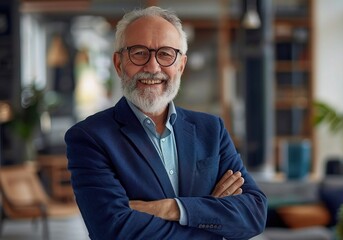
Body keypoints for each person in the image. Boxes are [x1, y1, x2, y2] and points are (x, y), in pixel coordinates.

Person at [65, 6, 267, 240]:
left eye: (166, 54)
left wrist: (172, 208)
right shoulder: (89, 137)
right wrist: (209, 215)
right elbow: (114, 231)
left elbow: (254, 214)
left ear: (180, 65)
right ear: (119, 63)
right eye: (139, 53)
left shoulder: (212, 130)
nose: (152, 67)